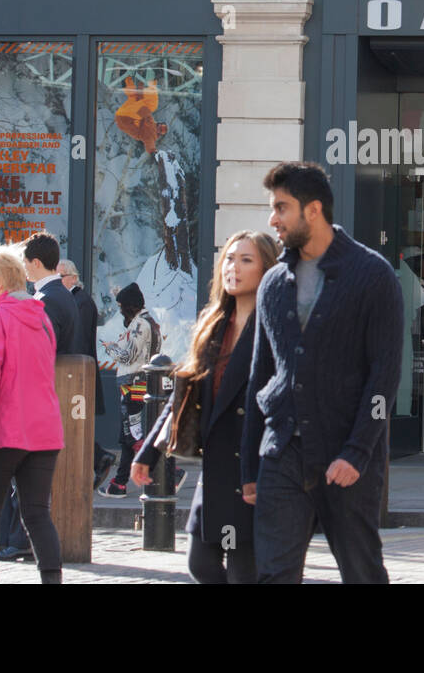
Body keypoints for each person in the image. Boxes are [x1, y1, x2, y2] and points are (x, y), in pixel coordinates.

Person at [241, 161, 402, 583]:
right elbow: (261, 375)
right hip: (282, 454)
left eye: (281, 208)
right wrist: (249, 469)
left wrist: (358, 452)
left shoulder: (373, 275)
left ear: (313, 210)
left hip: (344, 453)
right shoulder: (273, 283)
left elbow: (384, 377)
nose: (272, 219)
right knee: (273, 573)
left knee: (361, 570)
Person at [131, 230, 279, 583]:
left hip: (254, 467)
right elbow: (185, 395)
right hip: (215, 468)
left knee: (245, 572)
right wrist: (149, 453)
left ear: (266, 269)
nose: (234, 268)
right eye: (229, 258)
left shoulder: (276, 325)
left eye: (246, 260)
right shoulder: (212, 324)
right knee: (201, 564)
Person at [0, 244, 65, 584]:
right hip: (44, 431)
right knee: (36, 514)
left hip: (0, 431)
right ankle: (52, 579)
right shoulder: (41, 317)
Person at [98, 282, 161, 497]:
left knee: (132, 436)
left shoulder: (139, 324)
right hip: (140, 382)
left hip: (134, 383)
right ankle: (119, 484)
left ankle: (170, 471)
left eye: (121, 306)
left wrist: (111, 348)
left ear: (129, 306)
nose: (120, 310)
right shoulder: (151, 322)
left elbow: (127, 357)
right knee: (127, 436)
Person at [59, 258, 115, 488]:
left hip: (78, 376)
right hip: (75, 374)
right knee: (71, 425)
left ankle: (99, 458)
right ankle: (92, 462)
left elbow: (78, 341)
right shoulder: (74, 300)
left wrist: (72, 370)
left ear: (73, 277)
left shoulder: (80, 302)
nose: (58, 281)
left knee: (74, 424)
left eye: (60, 277)